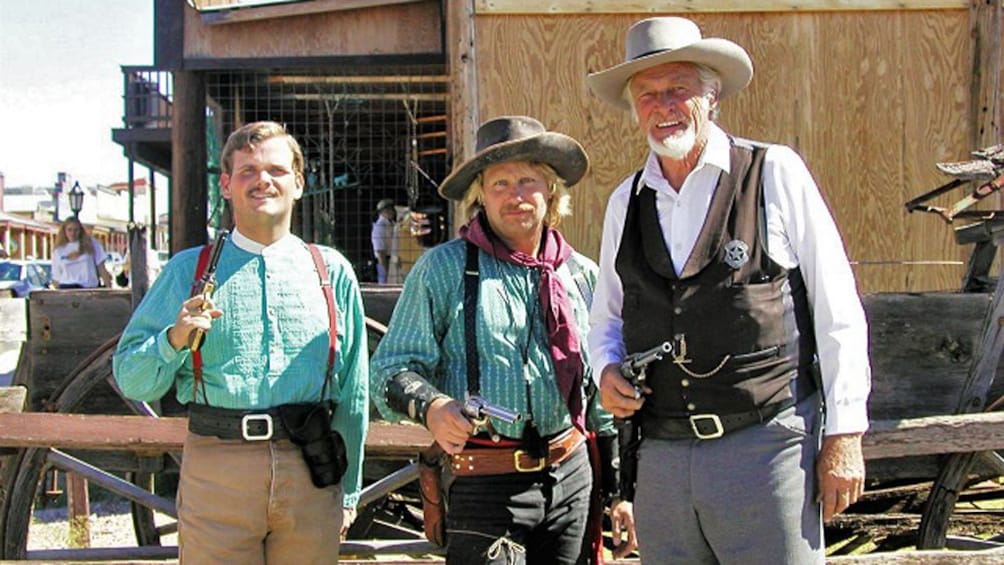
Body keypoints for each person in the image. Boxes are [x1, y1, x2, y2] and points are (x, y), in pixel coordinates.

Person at [585, 17, 871, 564]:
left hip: (768, 446)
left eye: (678, 90)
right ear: (633, 109)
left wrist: (844, 435)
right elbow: (607, 320)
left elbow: (839, 310)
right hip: (664, 457)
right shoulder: (625, 201)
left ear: (711, 96)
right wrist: (606, 369)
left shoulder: (774, 172)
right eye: (648, 95)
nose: (663, 106)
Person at [370, 116, 636, 564]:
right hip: (483, 482)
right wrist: (434, 407)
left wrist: (619, 491)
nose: (515, 195)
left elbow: (601, 399)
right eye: (500, 183)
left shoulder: (583, 276)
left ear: (550, 190)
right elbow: (390, 369)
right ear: (480, 195)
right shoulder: (443, 270)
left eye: (528, 181)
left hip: (572, 478)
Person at [113, 121, 369, 564]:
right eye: (247, 171)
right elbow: (132, 380)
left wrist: (347, 492)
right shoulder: (186, 271)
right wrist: (174, 339)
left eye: (275, 169)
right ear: (227, 185)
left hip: (311, 473)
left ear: (299, 184)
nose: (263, 180)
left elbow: (354, 392)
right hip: (218, 473)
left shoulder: (332, 273)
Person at [51, 216, 112, 289]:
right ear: (64, 231)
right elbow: (56, 276)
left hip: (88, 288)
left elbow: (101, 268)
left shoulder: (91, 244)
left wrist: (109, 287)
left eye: (76, 230)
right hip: (67, 288)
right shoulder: (59, 250)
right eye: (69, 230)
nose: (73, 233)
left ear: (80, 231)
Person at [371, 198, 397, 283]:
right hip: (384, 261)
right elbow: (380, 251)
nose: (392, 211)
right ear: (382, 211)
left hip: (393, 261)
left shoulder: (392, 224)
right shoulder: (380, 226)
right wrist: (386, 270)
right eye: (388, 209)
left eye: (391, 208)